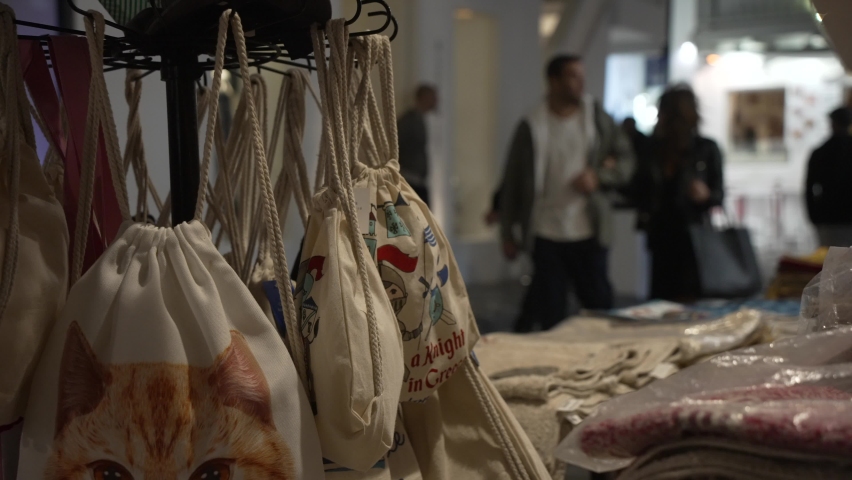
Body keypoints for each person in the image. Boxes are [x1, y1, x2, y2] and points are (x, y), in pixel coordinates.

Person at [499, 54, 634, 332]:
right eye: (573, 76)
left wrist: (599, 176)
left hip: (588, 228)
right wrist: (507, 232)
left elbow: (626, 159)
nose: (580, 83)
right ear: (554, 81)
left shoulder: (595, 117)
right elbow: (512, 180)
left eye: (582, 77)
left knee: (599, 306)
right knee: (553, 312)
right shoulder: (533, 123)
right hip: (547, 231)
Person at [632, 85, 724, 302]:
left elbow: (719, 193)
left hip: (693, 235)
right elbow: (638, 189)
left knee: (690, 296)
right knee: (661, 297)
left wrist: (705, 195)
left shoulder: (705, 149)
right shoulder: (653, 149)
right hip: (660, 233)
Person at [806, 107, 852, 247]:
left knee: (830, 261)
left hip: (827, 215)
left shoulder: (820, 152)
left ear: (832, 123)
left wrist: (814, 216)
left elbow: (809, 187)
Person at [397, 84, 438, 206]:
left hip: (418, 180)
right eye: (433, 97)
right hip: (410, 180)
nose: (436, 101)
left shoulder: (420, 120)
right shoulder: (408, 121)